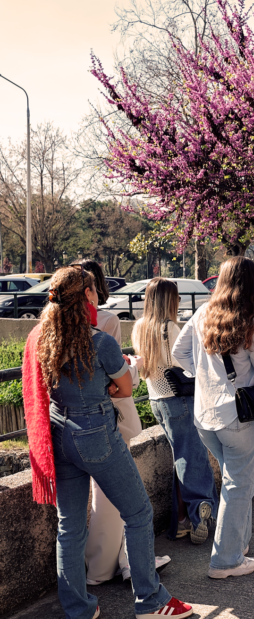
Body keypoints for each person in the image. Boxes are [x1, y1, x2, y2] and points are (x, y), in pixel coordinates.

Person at [22, 266, 192, 619]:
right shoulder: (100, 341)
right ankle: (151, 601)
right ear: (86, 296)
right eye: (93, 289)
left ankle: (78, 608)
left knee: (70, 524)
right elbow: (125, 389)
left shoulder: (41, 338)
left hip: (59, 432)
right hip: (96, 433)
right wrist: (106, 384)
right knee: (138, 513)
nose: (98, 293)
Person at [173, 256, 254, 579]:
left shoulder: (201, 314)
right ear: (252, 284)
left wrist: (207, 377)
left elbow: (179, 354)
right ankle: (225, 560)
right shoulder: (250, 320)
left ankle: (239, 544)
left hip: (206, 416)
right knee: (238, 484)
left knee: (239, 480)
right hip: (239, 417)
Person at [72, 259, 171, 585]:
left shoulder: (54, 326)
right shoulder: (106, 322)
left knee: (78, 510)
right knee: (126, 501)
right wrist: (132, 365)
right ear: (94, 287)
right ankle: (126, 568)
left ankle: (103, 566)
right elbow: (118, 380)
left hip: (70, 422)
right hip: (108, 418)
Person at [132, 278, 218, 545]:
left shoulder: (139, 327)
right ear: (170, 299)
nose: (180, 300)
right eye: (177, 296)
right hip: (178, 399)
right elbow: (181, 363)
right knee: (192, 458)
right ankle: (200, 510)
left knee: (180, 457)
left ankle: (180, 522)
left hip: (156, 400)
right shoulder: (170, 327)